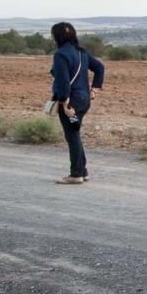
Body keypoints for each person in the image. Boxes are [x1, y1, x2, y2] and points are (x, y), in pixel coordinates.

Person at [50, 22, 104, 184]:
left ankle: (76, 174)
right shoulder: (82, 53)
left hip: (70, 102)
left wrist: (64, 103)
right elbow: (100, 68)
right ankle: (83, 171)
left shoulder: (60, 54)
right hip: (84, 100)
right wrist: (95, 89)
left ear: (57, 36)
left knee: (72, 135)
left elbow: (63, 81)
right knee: (75, 133)